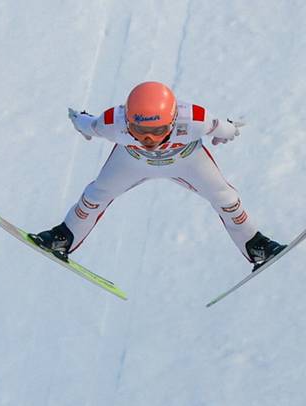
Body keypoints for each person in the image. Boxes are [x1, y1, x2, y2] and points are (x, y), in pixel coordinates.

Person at [29, 81, 286, 272]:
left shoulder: (193, 119)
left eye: (159, 130)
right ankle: (62, 238)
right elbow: (91, 125)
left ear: (174, 120)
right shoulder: (113, 122)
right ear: (127, 120)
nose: (149, 139)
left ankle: (257, 245)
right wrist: (79, 120)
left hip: (187, 162)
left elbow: (220, 127)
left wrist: (229, 131)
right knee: (94, 196)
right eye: (138, 129)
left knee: (227, 199)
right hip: (132, 162)